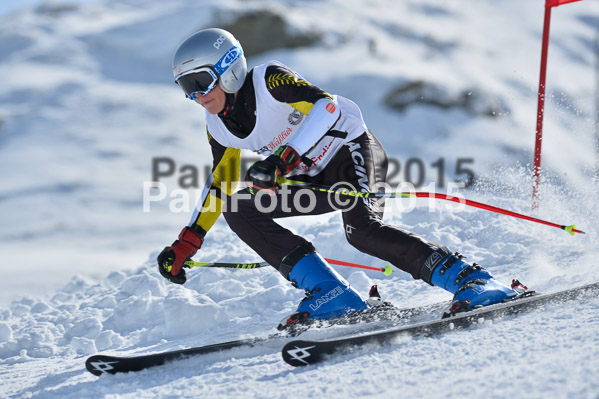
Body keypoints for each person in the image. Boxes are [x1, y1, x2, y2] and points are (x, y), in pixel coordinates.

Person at [157, 28, 524, 327]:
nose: (197, 96)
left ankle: (472, 280)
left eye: (201, 82)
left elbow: (326, 106)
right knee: (239, 208)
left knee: (362, 231)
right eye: (187, 88)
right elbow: (220, 181)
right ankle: (331, 294)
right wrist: (189, 240)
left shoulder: (268, 80)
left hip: (351, 152)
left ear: (230, 69)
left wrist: (283, 159)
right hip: (311, 178)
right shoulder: (217, 125)